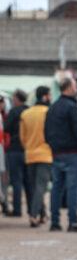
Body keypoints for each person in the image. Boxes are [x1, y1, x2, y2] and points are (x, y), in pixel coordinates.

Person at [44, 77, 77, 232]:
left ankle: (55, 222)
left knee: (56, 188)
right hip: (73, 154)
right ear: (70, 88)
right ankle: (73, 222)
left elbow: (46, 133)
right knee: (73, 188)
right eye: (75, 86)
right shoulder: (72, 107)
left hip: (57, 154)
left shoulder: (52, 108)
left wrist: (54, 147)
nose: (76, 89)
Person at [19, 86, 53, 227]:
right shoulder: (49, 113)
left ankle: (43, 215)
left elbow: (23, 138)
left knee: (34, 186)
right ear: (45, 97)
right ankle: (33, 215)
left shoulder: (26, 114)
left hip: (30, 154)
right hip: (45, 154)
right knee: (41, 187)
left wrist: (29, 147)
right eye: (50, 95)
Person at [3, 89, 32, 217]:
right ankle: (32, 209)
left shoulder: (14, 111)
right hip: (28, 149)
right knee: (28, 182)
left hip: (15, 150)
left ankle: (17, 209)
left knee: (16, 182)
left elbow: (6, 128)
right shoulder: (30, 111)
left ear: (16, 99)